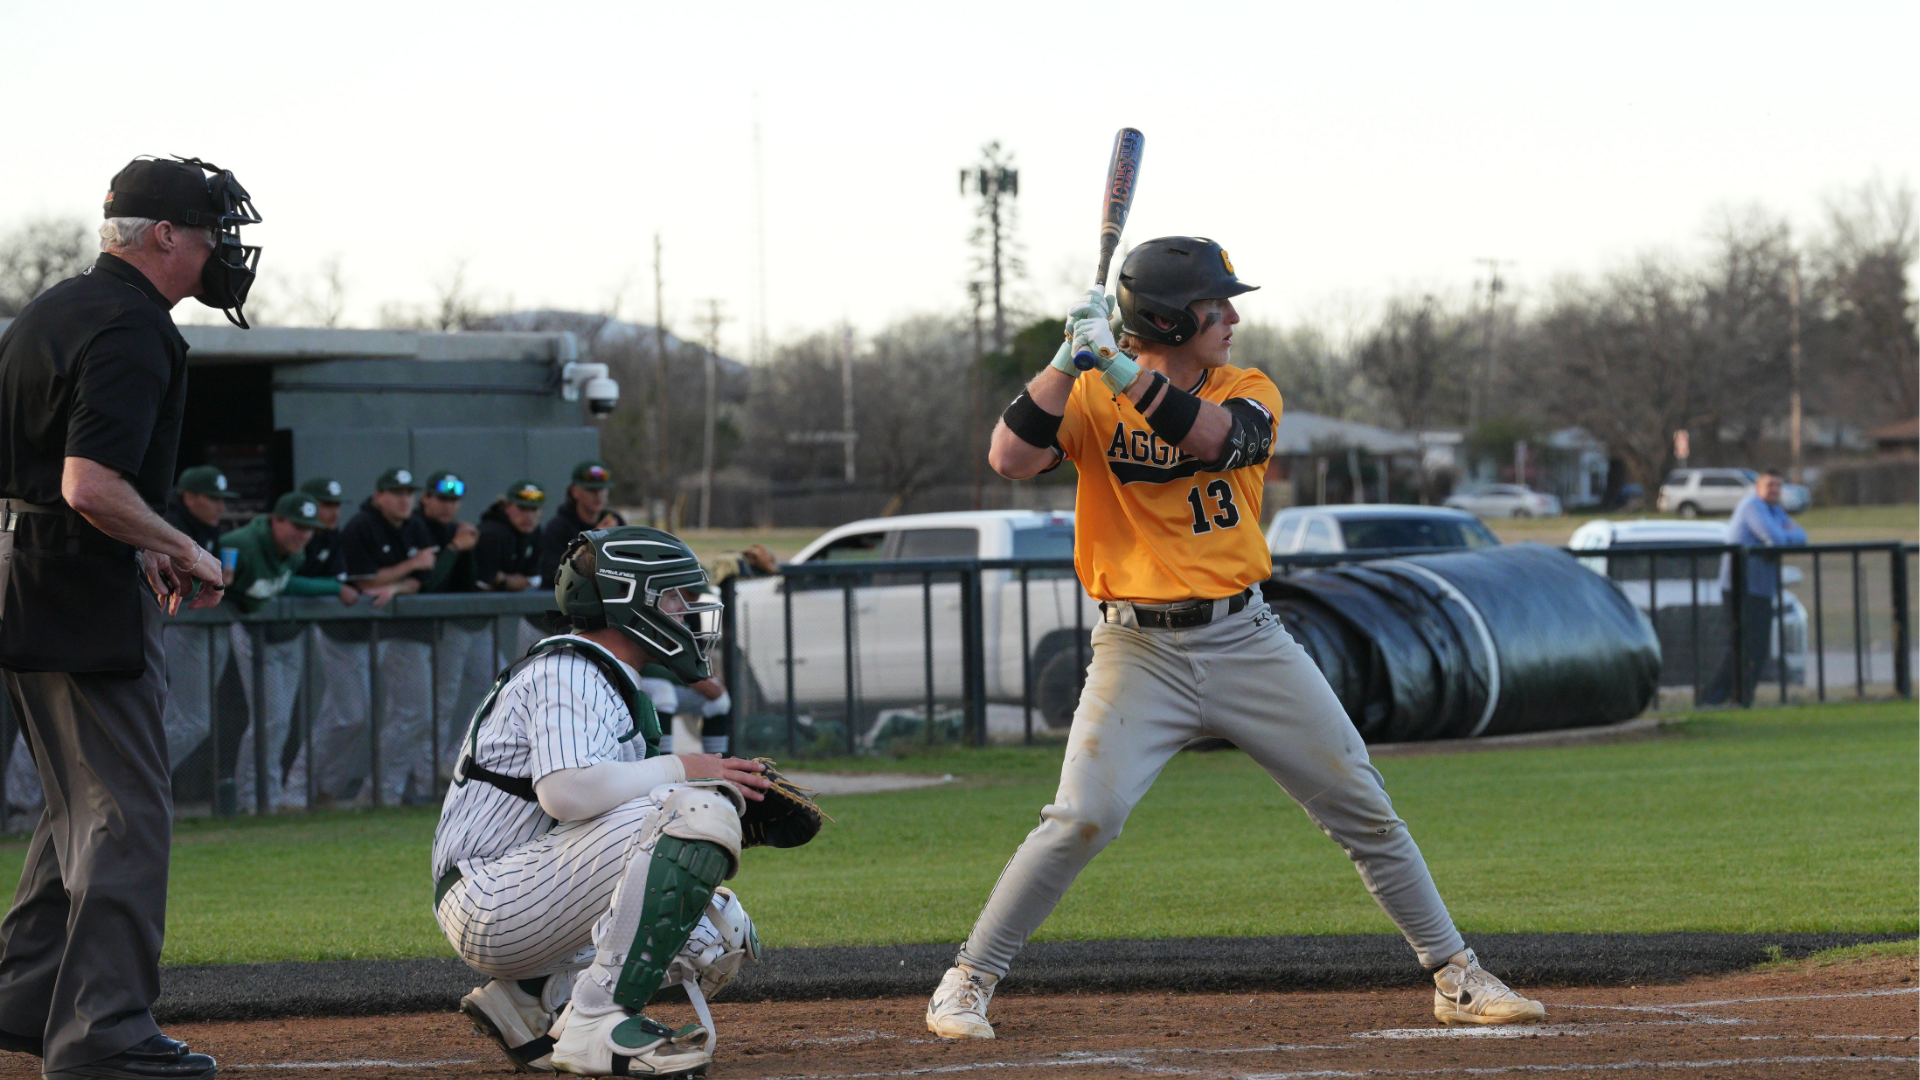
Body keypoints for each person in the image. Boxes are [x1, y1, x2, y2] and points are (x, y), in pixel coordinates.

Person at [924, 237, 1544, 1040]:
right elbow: (1010, 456)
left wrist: (1116, 368)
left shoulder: (1246, 388)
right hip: (1136, 650)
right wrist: (1064, 362)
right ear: (1171, 316)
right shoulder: (1087, 391)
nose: (1232, 316)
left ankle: (1454, 974)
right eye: (1215, 305)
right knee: (1081, 818)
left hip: (1247, 638)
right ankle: (967, 978)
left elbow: (1217, 440)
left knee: (1361, 803)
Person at [0, 154, 258, 1080]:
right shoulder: (131, 324)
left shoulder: (58, 305)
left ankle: (28, 999)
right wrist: (181, 545)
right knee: (127, 815)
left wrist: (140, 538)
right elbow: (87, 484)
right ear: (161, 237)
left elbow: (50, 478)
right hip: (77, 590)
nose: (222, 251)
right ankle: (105, 1035)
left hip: (31, 572)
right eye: (209, 234)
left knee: (79, 811)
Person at [433, 527, 770, 1077]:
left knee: (717, 931)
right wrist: (690, 775)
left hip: (524, 888)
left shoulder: (601, 675)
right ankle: (596, 1021)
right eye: (673, 597)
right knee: (692, 810)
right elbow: (567, 792)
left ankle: (533, 997)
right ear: (629, 601)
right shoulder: (570, 669)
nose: (688, 611)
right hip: (493, 896)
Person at [217, 493, 327, 811]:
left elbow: (284, 584)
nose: (303, 534)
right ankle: (250, 799)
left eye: (308, 528)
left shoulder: (294, 553)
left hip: (272, 636)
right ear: (276, 519)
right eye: (296, 525)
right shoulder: (238, 545)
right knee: (271, 720)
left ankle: (264, 798)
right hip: (232, 632)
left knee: (277, 721)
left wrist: (334, 587)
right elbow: (223, 577)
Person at [1703, 468, 1808, 706]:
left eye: (1778, 486)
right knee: (1742, 644)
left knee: (1758, 648)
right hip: (1739, 586)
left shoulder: (1775, 509)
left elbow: (1802, 535)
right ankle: (1713, 699)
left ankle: (1741, 698)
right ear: (1758, 487)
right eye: (1770, 485)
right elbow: (1777, 537)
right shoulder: (1752, 506)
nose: (1774, 490)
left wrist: (1783, 536)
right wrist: (1783, 535)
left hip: (1760, 588)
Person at [340, 467, 434, 606]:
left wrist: (394, 589)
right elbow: (366, 583)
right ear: (378, 496)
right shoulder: (361, 526)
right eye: (397, 494)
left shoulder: (417, 525)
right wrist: (413, 564)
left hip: (405, 614)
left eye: (409, 494)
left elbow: (419, 580)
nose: (405, 500)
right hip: (358, 612)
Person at [537, 460, 625, 587]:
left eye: (602, 488)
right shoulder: (558, 527)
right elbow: (554, 576)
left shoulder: (615, 521)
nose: (598, 495)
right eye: (591, 490)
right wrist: (593, 541)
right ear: (574, 492)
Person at [407, 470, 480, 594]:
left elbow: (467, 587)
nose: (448, 507)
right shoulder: (411, 527)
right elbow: (425, 587)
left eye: (454, 501)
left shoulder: (454, 531)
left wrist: (468, 550)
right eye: (442, 500)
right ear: (425, 497)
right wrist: (454, 548)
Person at [294, 476, 358, 606]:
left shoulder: (332, 536)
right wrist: (333, 588)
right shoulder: (291, 534)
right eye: (327, 505)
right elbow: (281, 583)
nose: (335, 514)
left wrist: (328, 586)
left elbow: (337, 579)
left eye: (337, 506)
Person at [161, 464, 236, 575]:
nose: (222, 508)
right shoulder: (167, 526)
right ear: (189, 498)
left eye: (222, 499)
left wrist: (220, 580)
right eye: (214, 499)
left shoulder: (207, 523)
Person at [475, 479, 546, 592]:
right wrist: (506, 581)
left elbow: (535, 576)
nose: (528, 516)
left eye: (534, 509)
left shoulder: (535, 532)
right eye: (522, 508)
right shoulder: (491, 534)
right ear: (507, 507)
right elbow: (484, 582)